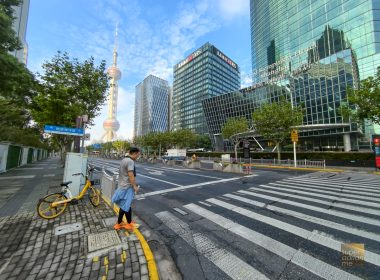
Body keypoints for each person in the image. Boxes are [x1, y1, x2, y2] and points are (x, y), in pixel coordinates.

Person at [112, 147, 141, 230]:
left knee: (124, 206)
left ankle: (120, 223)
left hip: (121, 185)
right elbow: (131, 175)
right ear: (134, 153)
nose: (138, 157)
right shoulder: (130, 161)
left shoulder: (124, 159)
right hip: (127, 187)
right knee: (126, 206)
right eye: (138, 155)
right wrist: (135, 186)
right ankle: (128, 224)